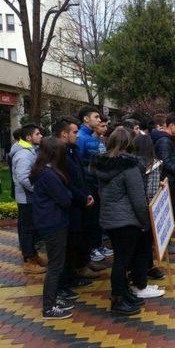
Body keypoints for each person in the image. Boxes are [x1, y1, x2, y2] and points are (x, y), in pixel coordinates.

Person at [94, 128, 152, 315]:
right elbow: (137, 198)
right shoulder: (130, 166)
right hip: (126, 220)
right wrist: (145, 222)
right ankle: (118, 299)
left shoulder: (103, 163)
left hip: (110, 218)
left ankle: (124, 293)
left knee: (121, 258)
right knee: (122, 261)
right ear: (129, 144)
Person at [52, 117, 98, 299]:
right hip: (71, 206)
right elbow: (66, 181)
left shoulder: (72, 150)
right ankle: (62, 285)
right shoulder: (58, 153)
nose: (77, 136)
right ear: (64, 133)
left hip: (81, 202)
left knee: (76, 242)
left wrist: (87, 194)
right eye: (74, 132)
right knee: (67, 247)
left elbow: (80, 176)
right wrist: (81, 197)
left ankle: (73, 276)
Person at [30, 137, 74, 319]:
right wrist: (69, 194)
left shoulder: (44, 171)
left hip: (51, 221)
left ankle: (53, 298)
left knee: (57, 263)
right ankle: (48, 307)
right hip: (53, 223)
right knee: (55, 266)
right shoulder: (49, 175)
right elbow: (65, 199)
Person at [9, 123, 47, 274]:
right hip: (26, 198)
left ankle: (34, 255)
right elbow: (24, 178)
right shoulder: (23, 154)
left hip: (30, 197)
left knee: (31, 228)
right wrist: (38, 190)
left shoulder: (29, 150)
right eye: (38, 134)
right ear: (28, 137)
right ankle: (29, 260)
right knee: (27, 230)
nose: (41, 136)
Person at [76, 107, 112, 263]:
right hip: (88, 184)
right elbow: (79, 163)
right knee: (90, 219)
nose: (99, 120)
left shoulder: (94, 137)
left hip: (96, 183)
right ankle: (91, 249)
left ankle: (97, 245)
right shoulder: (81, 138)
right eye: (96, 117)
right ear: (86, 119)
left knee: (97, 217)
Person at [132, 134, 168, 287]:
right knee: (145, 244)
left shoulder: (130, 164)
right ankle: (141, 278)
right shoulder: (153, 165)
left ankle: (141, 270)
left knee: (137, 246)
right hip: (145, 210)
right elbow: (151, 193)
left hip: (131, 210)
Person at [150, 114, 175, 255]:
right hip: (167, 181)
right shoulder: (164, 141)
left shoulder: (168, 139)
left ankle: (169, 242)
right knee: (166, 212)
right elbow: (166, 161)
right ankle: (165, 243)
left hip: (171, 179)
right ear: (171, 125)